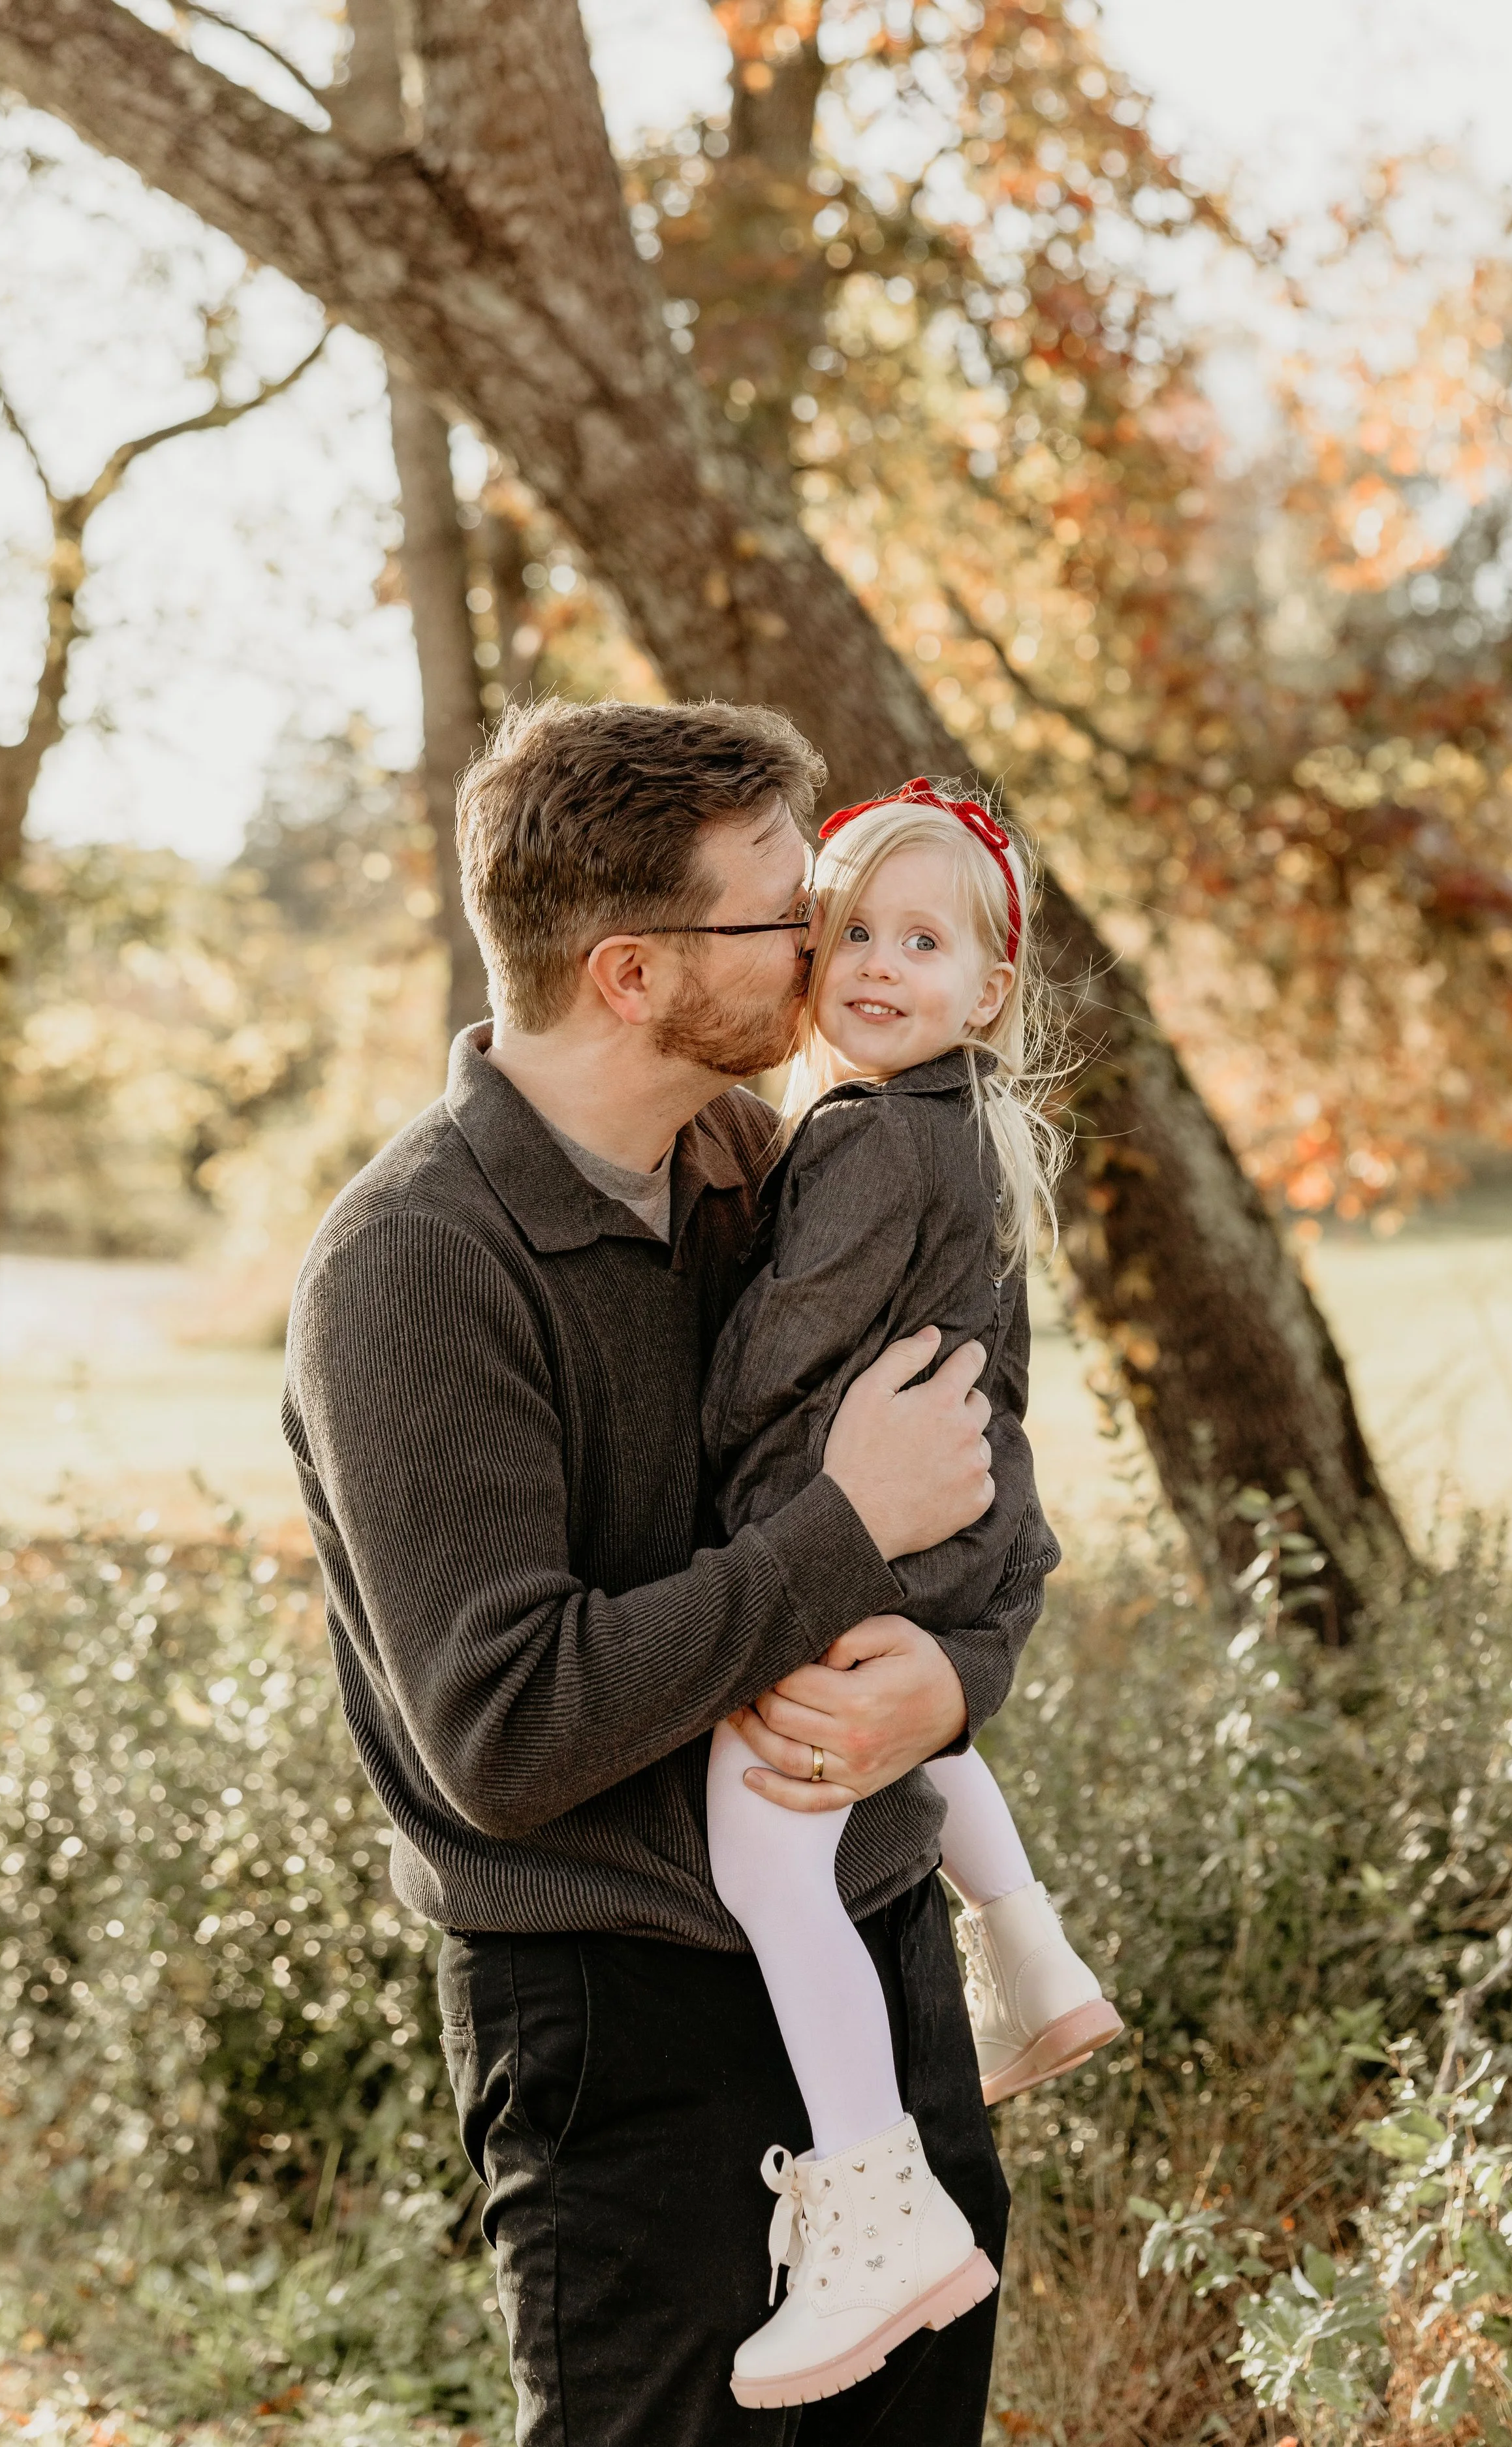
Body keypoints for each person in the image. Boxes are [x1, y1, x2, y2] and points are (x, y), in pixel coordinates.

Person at [283, 701, 1016, 2447]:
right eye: (785, 912)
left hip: (872, 1956)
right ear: (627, 972)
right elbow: (508, 1727)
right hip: (626, 2024)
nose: (830, 938)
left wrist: (953, 1676)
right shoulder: (409, 1268)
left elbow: (980, 1478)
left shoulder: (782, 1163)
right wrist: (842, 1532)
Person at [701, 778, 1123, 2409]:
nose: (877, 963)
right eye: (851, 931)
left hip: (855, 1514)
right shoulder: (963, 1122)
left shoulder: (867, 1135)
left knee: (765, 1838)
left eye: (921, 939)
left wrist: (709, 1415)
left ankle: (874, 2201)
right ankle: (1032, 1958)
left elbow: (784, 1346)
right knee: (925, 1728)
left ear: (988, 984)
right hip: (949, 1525)